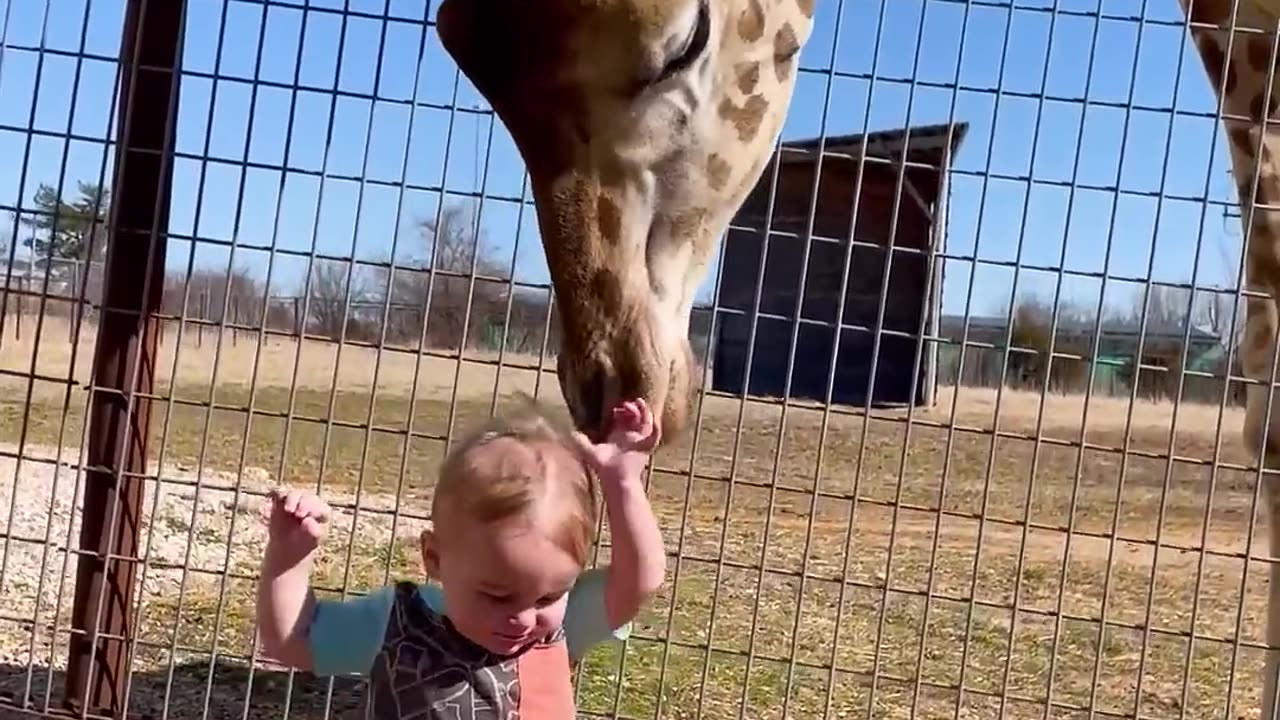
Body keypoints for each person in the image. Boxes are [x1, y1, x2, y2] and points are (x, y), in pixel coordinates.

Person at [253, 397, 666, 718]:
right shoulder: (398, 628)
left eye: (547, 597)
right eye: (496, 595)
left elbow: (639, 583)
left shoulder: (560, 626)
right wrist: (289, 559)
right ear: (434, 557)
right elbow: (294, 641)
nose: (524, 619)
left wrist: (623, 482)